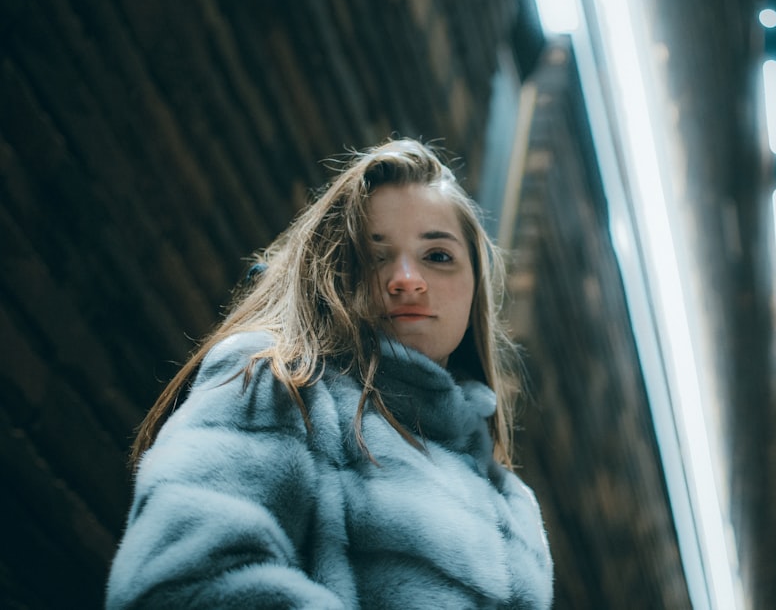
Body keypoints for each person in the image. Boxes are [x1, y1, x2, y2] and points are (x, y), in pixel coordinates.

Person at [105, 139, 554, 609]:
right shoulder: (276, 380)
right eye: (375, 254)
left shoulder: (515, 507)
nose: (406, 278)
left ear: (473, 289)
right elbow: (182, 584)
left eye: (437, 256)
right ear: (335, 272)